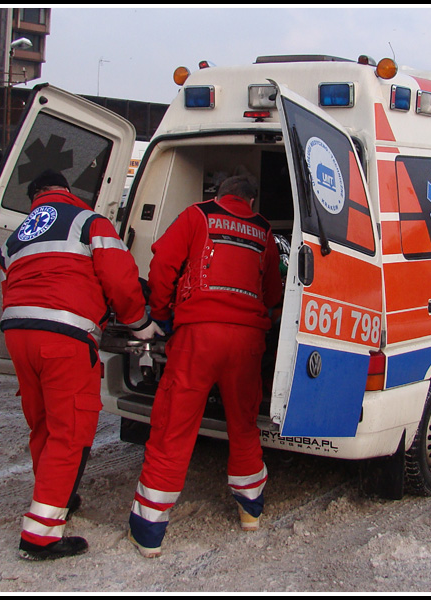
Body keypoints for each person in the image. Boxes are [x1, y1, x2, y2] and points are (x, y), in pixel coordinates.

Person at [0, 169, 161, 562]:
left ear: (36, 197)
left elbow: (11, 282)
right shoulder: (89, 222)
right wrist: (140, 323)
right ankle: (41, 536)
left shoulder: (14, 237)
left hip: (17, 334)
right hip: (64, 335)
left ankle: (58, 498)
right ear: (67, 192)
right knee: (70, 429)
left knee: (44, 424)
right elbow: (120, 279)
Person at [128, 174, 283, 558]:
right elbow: (274, 293)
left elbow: (163, 263)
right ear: (251, 201)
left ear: (219, 194)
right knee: (243, 425)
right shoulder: (263, 231)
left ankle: (149, 532)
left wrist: (162, 314)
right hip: (247, 341)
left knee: (174, 427)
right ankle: (250, 511)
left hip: (197, 336)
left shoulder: (198, 215)